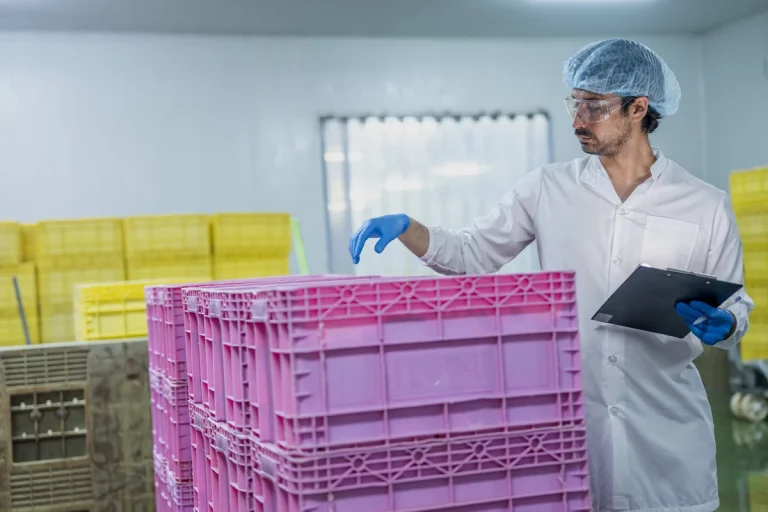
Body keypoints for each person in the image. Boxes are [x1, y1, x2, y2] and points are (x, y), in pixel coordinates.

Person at [348, 38, 754, 512]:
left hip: (667, 436)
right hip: (570, 434)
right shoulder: (547, 188)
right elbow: (473, 253)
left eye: (594, 106)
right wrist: (409, 229)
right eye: (575, 104)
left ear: (638, 108)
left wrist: (726, 324)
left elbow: (734, 306)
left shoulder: (704, 204)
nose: (578, 120)